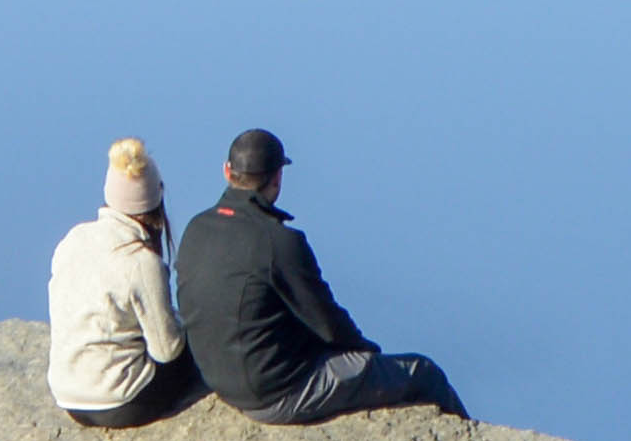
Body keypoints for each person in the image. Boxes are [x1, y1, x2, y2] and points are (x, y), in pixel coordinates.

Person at [174, 128, 468, 423]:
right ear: (277, 178)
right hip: (275, 393)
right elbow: (328, 323)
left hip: (219, 379)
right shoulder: (279, 242)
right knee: (423, 373)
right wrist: (367, 356)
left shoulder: (196, 228)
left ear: (227, 171)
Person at [46, 138, 199, 428]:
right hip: (122, 401)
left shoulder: (73, 239)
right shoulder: (141, 262)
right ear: (157, 199)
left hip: (67, 396)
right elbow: (167, 350)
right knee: (194, 353)